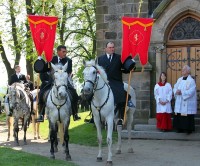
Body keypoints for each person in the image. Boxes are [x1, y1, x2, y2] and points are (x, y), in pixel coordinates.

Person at [36, 45, 81, 122]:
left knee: (74, 94)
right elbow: (45, 69)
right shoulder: (51, 59)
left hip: (64, 82)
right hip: (52, 82)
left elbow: (69, 72)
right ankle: (41, 114)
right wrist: (40, 61)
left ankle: (75, 113)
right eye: (63, 52)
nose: (65, 53)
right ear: (58, 52)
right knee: (41, 93)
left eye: (65, 52)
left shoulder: (68, 61)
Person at [97, 42, 135, 125]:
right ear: (105, 49)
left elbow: (124, 70)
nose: (112, 49)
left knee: (122, 94)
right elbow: (97, 72)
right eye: (110, 47)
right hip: (105, 82)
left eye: (113, 47)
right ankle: (94, 116)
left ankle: (121, 117)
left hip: (116, 82)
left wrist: (130, 69)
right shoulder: (100, 59)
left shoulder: (119, 58)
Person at [173, 65, 197, 134]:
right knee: (179, 114)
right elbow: (175, 87)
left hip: (187, 101)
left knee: (187, 115)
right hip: (179, 100)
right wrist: (176, 91)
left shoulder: (191, 81)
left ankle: (188, 129)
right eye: (182, 69)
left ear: (188, 71)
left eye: (184, 69)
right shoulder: (179, 79)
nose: (182, 71)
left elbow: (192, 91)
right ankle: (179, 128)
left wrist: (182, 92)